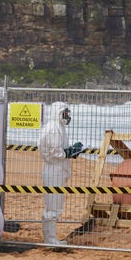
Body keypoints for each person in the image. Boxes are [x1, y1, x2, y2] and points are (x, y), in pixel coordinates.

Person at [39, 102, 83, 246]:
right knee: (52, 206)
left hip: (57, 169)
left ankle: (50, 239)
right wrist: (68, 152)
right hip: (54, 170)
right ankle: (50, 240)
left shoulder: (58, 127)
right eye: (65, 113)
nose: (67, 116)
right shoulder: (54, 129)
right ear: (58, 113)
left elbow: (59, 150)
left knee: (55, 205)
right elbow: (54, 151)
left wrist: (70, 151)